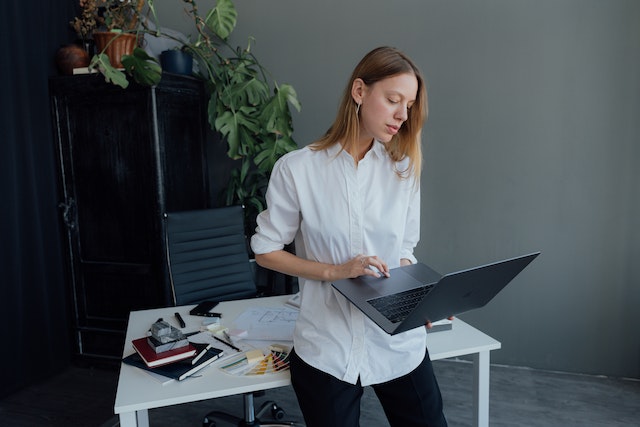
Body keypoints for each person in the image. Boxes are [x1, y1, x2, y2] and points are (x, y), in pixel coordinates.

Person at [250, 46, 448, 427]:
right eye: (393, 100)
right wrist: (335, 271)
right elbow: (266, 251)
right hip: (328, 348)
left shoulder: (403, 168)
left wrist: (421, 298)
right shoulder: (297, 170)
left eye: (408, 105)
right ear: (359, 91)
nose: (402, 115)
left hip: (397, 344)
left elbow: (405, 251)